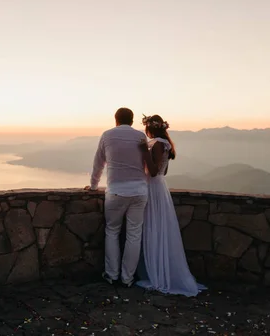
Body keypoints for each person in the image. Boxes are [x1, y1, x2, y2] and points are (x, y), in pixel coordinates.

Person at [135, 114, 206, 296]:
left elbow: (153, 172)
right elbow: (163, 171)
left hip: (152, 188)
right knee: (158, 226)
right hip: (160, 187)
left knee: (153, 226)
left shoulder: (157, 143)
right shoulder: (165, 144)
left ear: (150, 128)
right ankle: (158, 268)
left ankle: (157, 274)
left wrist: (144, 151)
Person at [85, 107, 152, 287]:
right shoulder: (140, 136)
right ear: (131, 121)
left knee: (112, 232)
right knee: (134, 235)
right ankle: (127, 278)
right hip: (139, 192)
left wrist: (93, 186)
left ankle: (112, 274)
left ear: (115, 119)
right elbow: (146, 163)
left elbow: (98, 162)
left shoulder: (107, 135)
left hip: (115, 191)